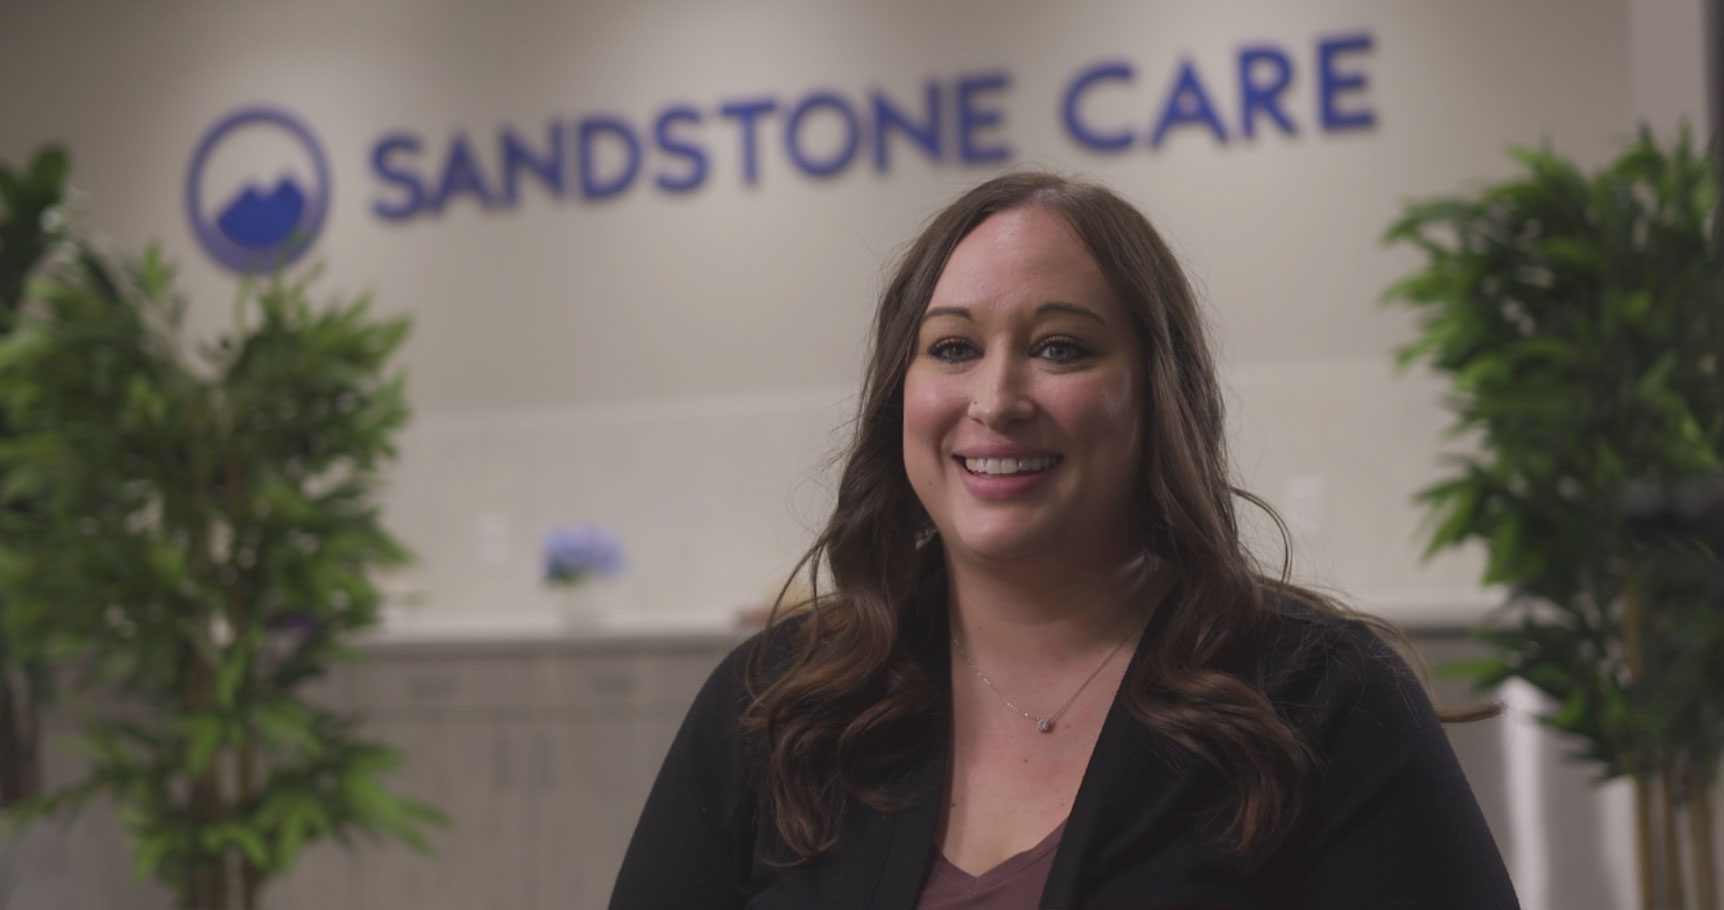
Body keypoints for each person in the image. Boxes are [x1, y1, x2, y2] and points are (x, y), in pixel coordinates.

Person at [609, 172, 1520, 909]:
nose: (997, 399)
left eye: (1061, 349)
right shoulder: (778, 705)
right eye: (954, 349)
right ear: (901, 395)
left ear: (1156, 393)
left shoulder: (1321, 702)